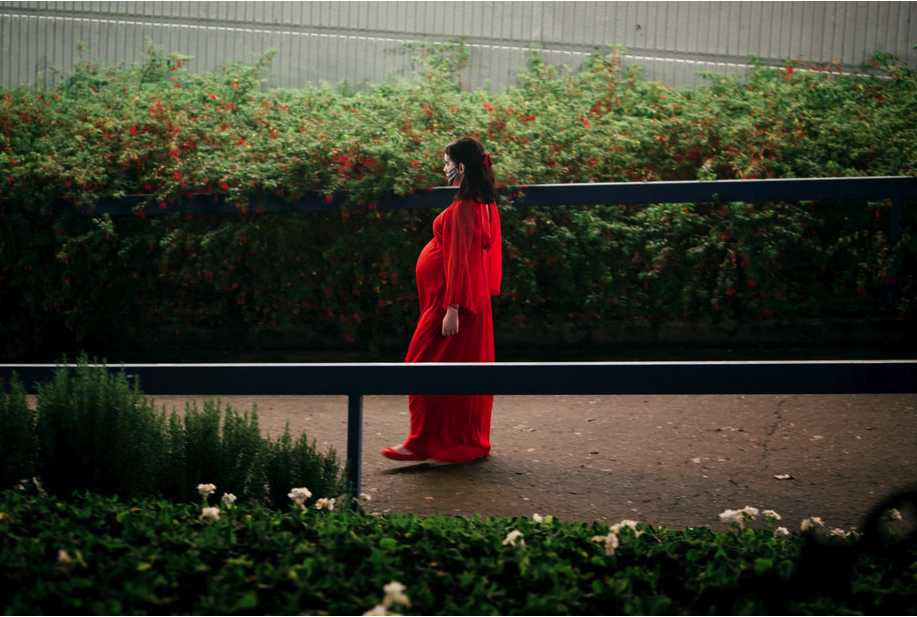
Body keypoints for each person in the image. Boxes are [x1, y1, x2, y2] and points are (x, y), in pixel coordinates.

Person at [381, 137, 502, 462]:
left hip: (453, 305)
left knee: (419, 366)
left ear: (460, 168)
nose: (444, 168)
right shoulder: (480, 201)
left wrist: (452, 309)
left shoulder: (465, 208)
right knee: (456, 372)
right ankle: (450, 442)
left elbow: (460, 260)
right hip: (462, 302)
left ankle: (423, 442)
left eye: (448, 163)